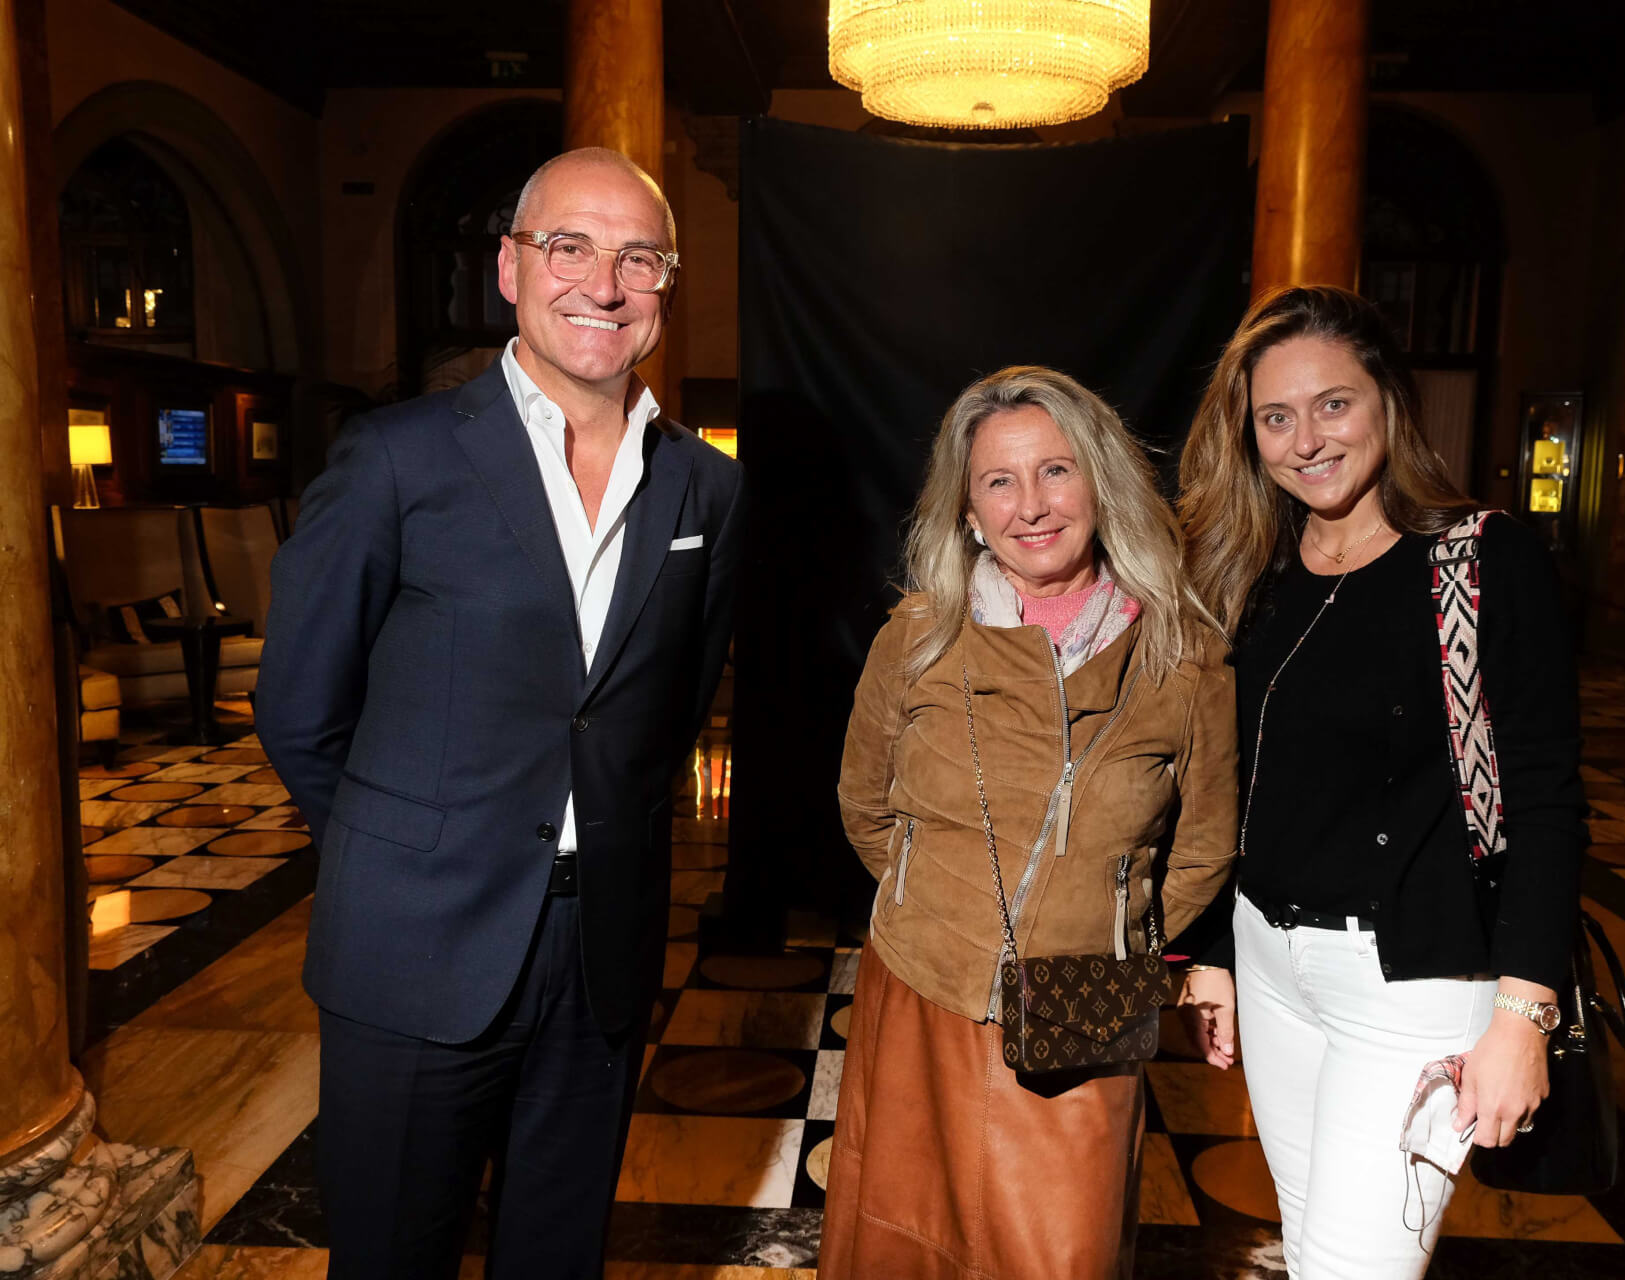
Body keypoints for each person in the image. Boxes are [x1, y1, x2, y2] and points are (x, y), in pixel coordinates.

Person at [255, 148, 742, 1280]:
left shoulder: (704, 487)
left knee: (556, 1256)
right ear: (511, 270)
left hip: (603, 949)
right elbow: (298, 709)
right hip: (414, 940)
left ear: (664, 291)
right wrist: (403, 853)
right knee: (391, 1257)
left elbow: (668, 709)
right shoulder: (396, 457)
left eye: (637, 259)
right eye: (568, 247)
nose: (603, 284)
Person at [1173, 286, 1586, 1279]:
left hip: (1410, 986)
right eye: (1277, 416)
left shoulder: (1479, 560)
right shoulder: (1255, 568)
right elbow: (1228, 780)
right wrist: (1214, 951)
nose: (1306, 438)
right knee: (1316, 1251)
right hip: (1271, 965)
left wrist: (1524, 1015)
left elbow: (1544, 795)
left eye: (1333, 404)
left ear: (1388, 404)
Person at [824, 366, 1237, 1279]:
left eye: (1056, 471)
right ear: (968, 511)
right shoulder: (921, 633)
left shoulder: (1182, 650)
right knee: (905, 1249)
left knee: (1064, 1256)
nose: (1032, 506)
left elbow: (1204, 846)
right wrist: (937, 902)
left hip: (1082, 1016)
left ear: (1100, 481)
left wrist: (1113, 925)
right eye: (999, 481)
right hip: (921, 995)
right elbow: (866, 804)